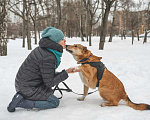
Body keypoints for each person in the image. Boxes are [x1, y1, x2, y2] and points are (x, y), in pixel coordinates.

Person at [7, 27, 80, 112]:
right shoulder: (48, 56)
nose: (65, 41)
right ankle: (22, 102)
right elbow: (50, 82)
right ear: (55, 42)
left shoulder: (44, 50)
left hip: (25, 84)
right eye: (62, 39)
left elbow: (46, 73)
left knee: (49, 92)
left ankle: (23, 96)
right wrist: (66, 72)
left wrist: (64, 73)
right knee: (54, 102)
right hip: (28, 88)